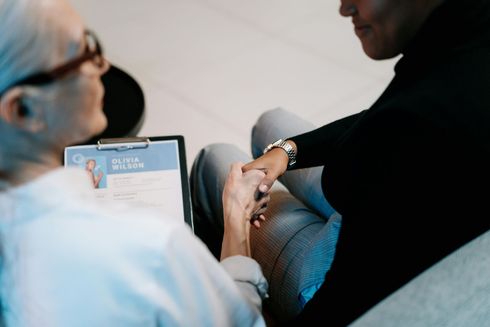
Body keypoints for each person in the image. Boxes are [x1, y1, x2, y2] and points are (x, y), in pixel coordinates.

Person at [191, 0, 490, 325]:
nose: (344, 9)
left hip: (363, 283)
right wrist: (287, 151)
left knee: (215, 160)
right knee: (271, 124)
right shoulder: (467, 41)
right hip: (398, 217)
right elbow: (385, 116)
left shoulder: (413, 128)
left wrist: (236, 223)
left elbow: (337, 310)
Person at [0, 0, 270, 325]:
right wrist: (236, 220)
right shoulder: (151, 247)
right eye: (84, 52)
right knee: (216, 158)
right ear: (21, 109)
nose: (103, 65)